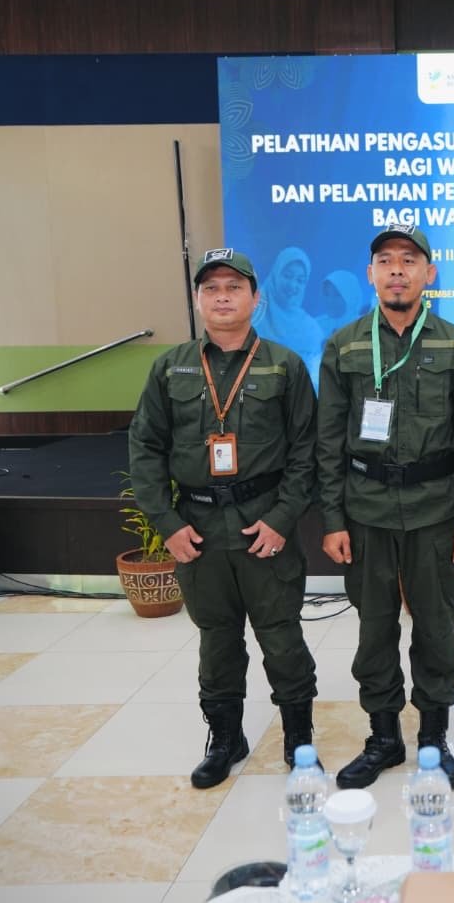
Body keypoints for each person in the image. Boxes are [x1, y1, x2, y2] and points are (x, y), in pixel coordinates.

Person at [128, 247, 319, 789]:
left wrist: (283, 518)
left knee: (281, 638)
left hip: (265, 525)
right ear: (197, 301)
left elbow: (307, 451)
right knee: (217, 640)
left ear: (255, 299)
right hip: (198, 529)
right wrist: (167, 524)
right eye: (211, 289)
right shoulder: (171, 367)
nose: (222, 297)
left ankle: (298, 737)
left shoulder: (284, 364)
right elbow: (144, 448)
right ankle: (224, 736)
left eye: (234, 287)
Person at [318, 224, 454, 790]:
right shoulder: (342, 345)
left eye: (409, 260)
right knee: (374, 627)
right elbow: (328, 441)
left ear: (428, 274)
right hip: (365, 509)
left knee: (437, 628)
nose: (397, 269)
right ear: (370, 273)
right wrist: (333, 520)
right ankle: (384, 737)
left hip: (436, 509)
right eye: (385, 260)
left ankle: (434, 738)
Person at [253, 246, 328, 381]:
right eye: (287, 276)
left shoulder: (311, 327)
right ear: (275, 274)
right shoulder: (253, 316)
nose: (293, 285)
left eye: (300, 280)